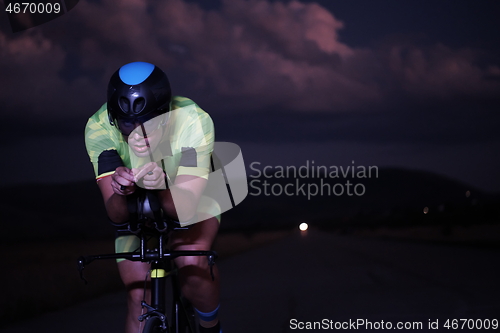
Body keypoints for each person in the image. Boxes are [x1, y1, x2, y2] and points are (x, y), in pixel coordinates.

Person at [84, 61, 222, 333]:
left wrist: (161, 187)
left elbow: (185, 207)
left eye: (148, 122)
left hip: (190, 196)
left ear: (166, 115)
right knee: (138, 296)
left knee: (193, 265)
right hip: (136, 207)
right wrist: (121, 192)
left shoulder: (193, 119)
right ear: (114, 117)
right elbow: (116, 215)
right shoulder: (99, 127)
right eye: (127, 123)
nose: (138, 133)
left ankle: (211, 327)